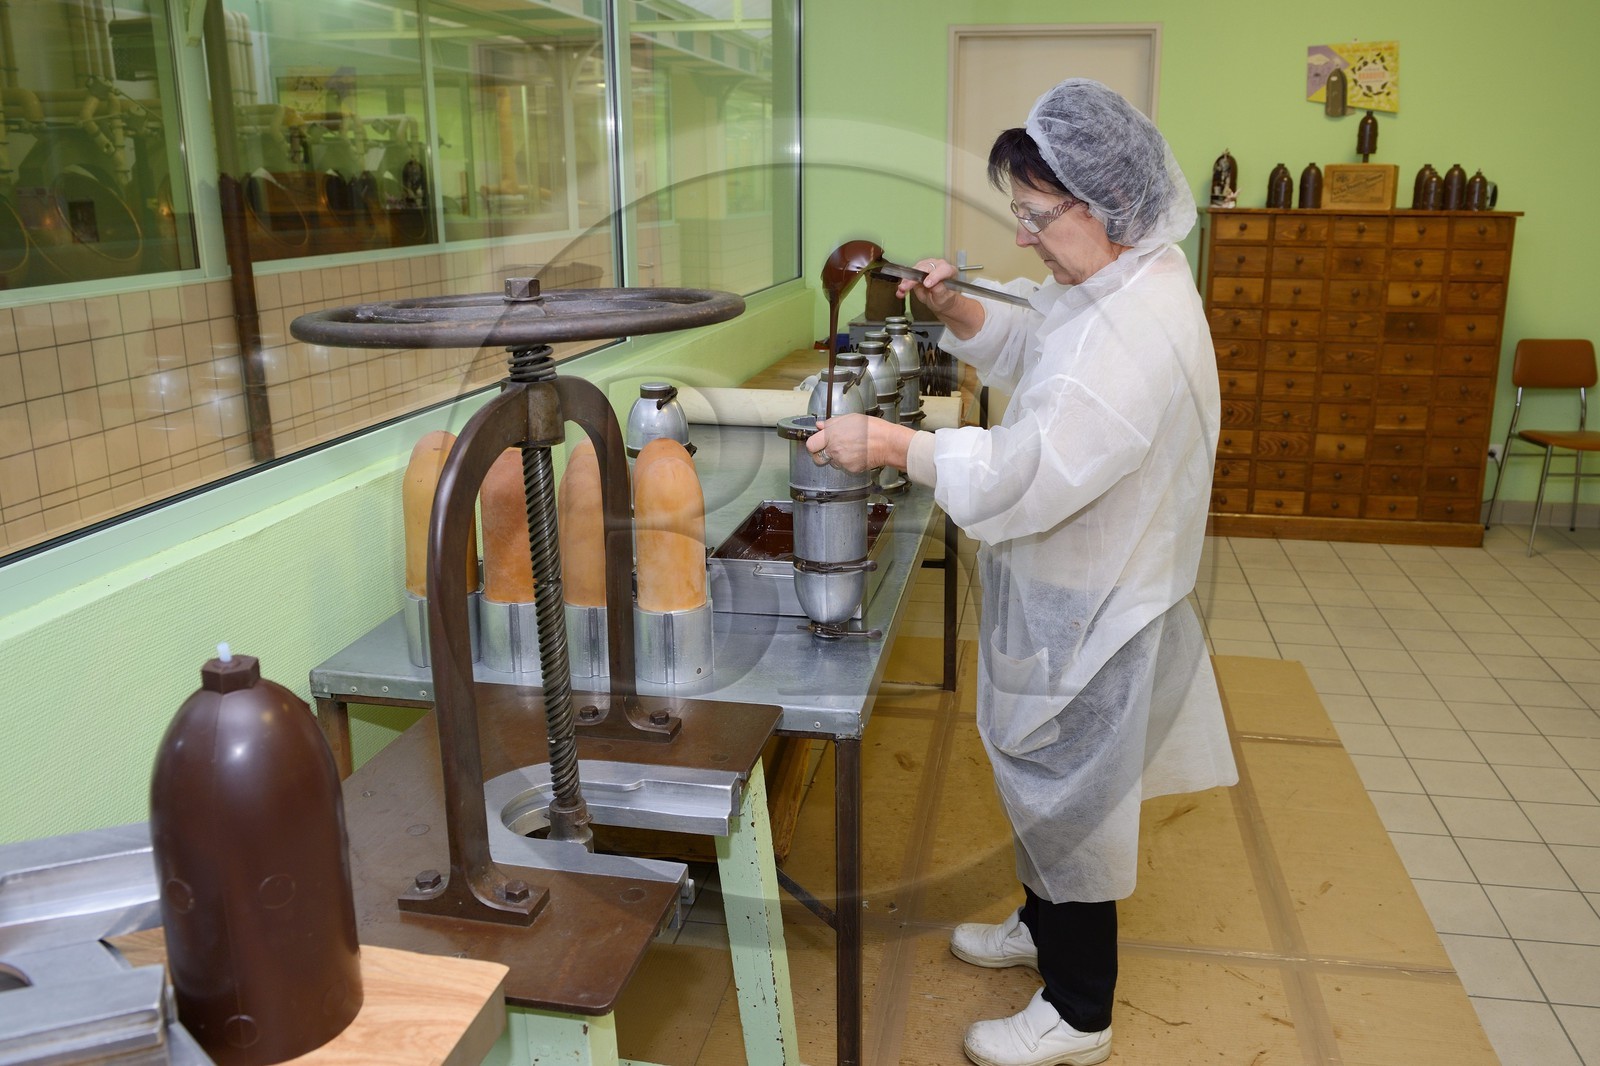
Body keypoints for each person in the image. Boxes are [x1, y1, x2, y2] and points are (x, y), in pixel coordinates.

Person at [806, 78, 1238, 1066]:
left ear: (1105, 204)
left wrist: (894, 445)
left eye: (1039, 217)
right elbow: (1041, 343)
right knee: (1043, 784)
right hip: (1075, 581)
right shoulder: (1119, 279)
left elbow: (1029, 470)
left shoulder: (1134, 335)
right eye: (1022, 214)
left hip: (1095, 598)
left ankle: (1079, 1012)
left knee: (1073, 802)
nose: (1026, 237)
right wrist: (958, 307)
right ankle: (1042, 927)